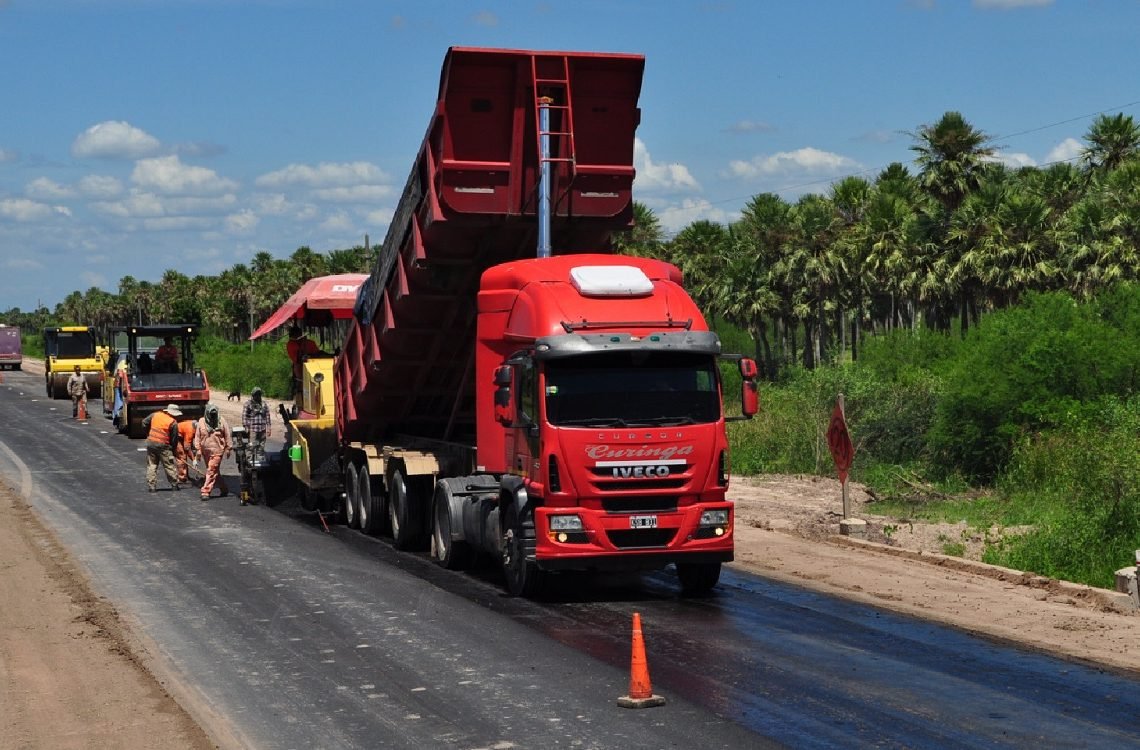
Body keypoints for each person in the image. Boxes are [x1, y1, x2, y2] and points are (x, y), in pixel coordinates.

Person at [194, 404, 232, 501]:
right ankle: (224, 488)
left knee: (211, 470)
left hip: (217, 451)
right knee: (214, 471)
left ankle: (205, 491)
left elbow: (227, 435)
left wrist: (228, 448)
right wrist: (198, 450)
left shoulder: (221, 421)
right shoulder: (201, 422)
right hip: (205, 451)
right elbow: (197, 437)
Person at [142, 404, 182, 492]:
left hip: (151, 443)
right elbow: (174, 439)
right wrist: (173, 450)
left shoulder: (155, 415)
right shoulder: (173, 422)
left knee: (152, 465)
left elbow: (144, 422)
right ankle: (174, 484)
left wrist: (148, 434)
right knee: (169, 465)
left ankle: (152, 486)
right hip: (164, 446)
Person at [286, 325, 324, 396]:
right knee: (301, 383)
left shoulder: (310, 343)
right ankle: (301, 392)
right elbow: (297, 359)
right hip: (300, 368)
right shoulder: (290, 344)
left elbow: (318, 354)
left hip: (315, 365)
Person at [242, 387, 271, 458]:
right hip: (253, 428)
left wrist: (269, 428)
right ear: (253, 395)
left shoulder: (264, 404)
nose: (258, 396)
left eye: (259, 394)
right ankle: (249, 460)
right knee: (252, 445)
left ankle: (260, 460)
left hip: (263, 428)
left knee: (261, 446)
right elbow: (244, 416)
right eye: (256, 394)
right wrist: (246, 426)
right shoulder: (248, 404)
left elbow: (267, 416)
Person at [175, 417, 198, 486]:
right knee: (181, 456)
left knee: (186, 454)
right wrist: (194, 460)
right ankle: (182, 478)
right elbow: (187, 447)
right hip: (176, 437)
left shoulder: (194, 425)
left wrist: (194, 456)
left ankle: (186, 475)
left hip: (182, 435)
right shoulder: (190, 430)